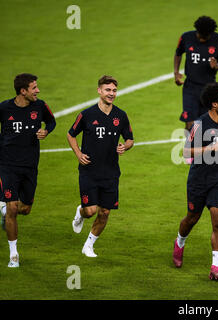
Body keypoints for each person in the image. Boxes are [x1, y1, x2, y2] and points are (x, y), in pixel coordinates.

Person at [172, 82, 218, 281]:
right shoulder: (199, 124)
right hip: (198, 179)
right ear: (214, 104)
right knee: (192, 218)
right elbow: (185, 152)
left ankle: (215, 267)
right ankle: (180, 242)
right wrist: (209, 149)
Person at [68, 75, 134, 257]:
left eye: (114, 90)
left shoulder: (121, 116)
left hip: (111, 172)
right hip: (89, 171)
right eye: (107, 90)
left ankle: (89, 245)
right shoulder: (87, 114)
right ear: (99, 91)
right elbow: (70, 134)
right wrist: (78, 154)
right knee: (90, 211)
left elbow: (130, 139)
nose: (111, 94)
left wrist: (125, 146)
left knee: (104, 212)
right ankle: (80, 212)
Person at [0, 73, 56, 268]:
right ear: (23, 91)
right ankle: (13, 255)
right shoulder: (4, 108)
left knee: (25, 209)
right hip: (7, 166)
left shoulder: (39, 106)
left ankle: (3, 211)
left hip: (30, 166)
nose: (38, 91)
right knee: (13, 208)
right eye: (34, 88)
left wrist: (46, 131)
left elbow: (52, 121)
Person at [174, 16, 218, 134]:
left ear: (211, 33)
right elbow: (178, 53)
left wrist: (217, 66)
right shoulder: (186, 37)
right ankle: (190, 150)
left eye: (204, 37)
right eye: (199, 35)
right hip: (190, 86)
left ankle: (202, 150)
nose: (201, 39)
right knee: (190, 123)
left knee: (205, 124)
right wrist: (176, 72)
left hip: (209, 90)